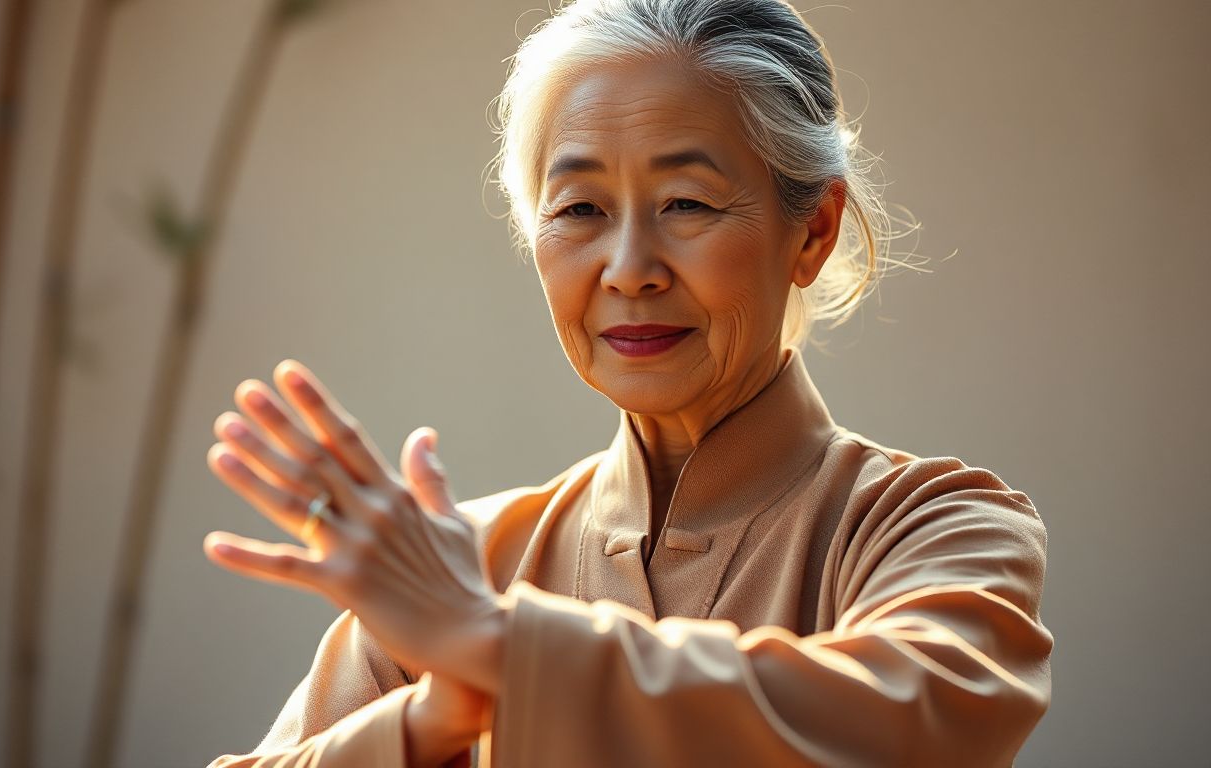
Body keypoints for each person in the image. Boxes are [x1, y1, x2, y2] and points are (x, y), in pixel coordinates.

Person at [201, 0, 1053, 765]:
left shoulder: (933, 528)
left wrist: (501, 649)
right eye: (579, 209)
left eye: (687, 202)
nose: (629, 268)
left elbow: (916, 722)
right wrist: (433, 718)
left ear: (813, 232)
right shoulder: (471, 561)